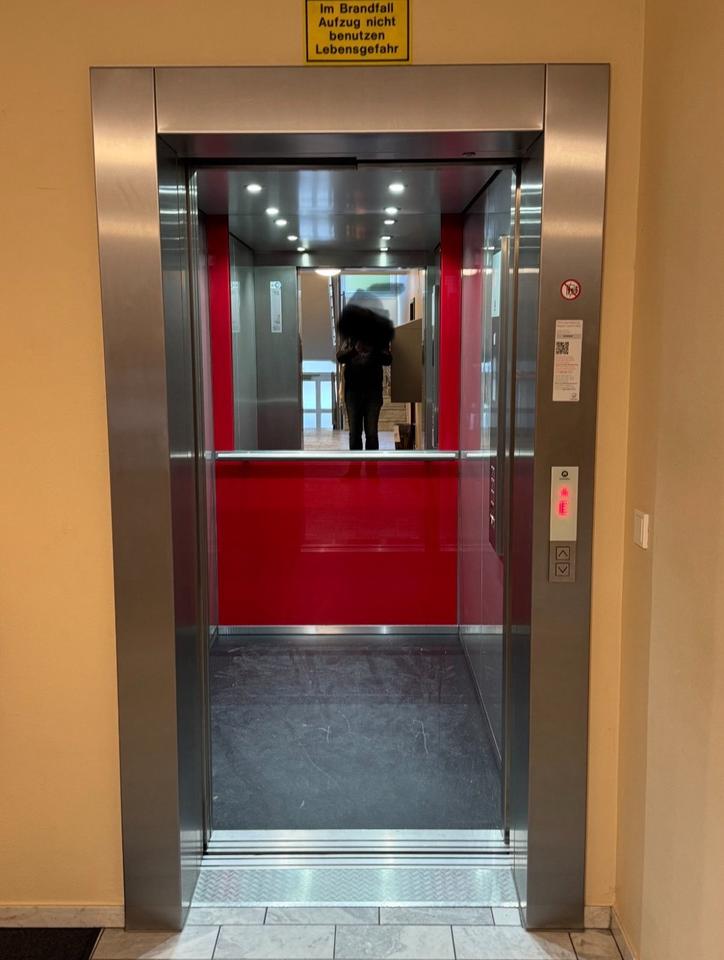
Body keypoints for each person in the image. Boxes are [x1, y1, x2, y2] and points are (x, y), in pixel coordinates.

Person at [336, 298, 393, 450]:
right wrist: (354, 350)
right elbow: (340, 357)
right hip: (352, 392)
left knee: (372, 433)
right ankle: (355, 464)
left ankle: (372, 464)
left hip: (373, 392)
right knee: (354, 433)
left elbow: (388, 359)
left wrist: (373, 350)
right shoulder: (349, 335)